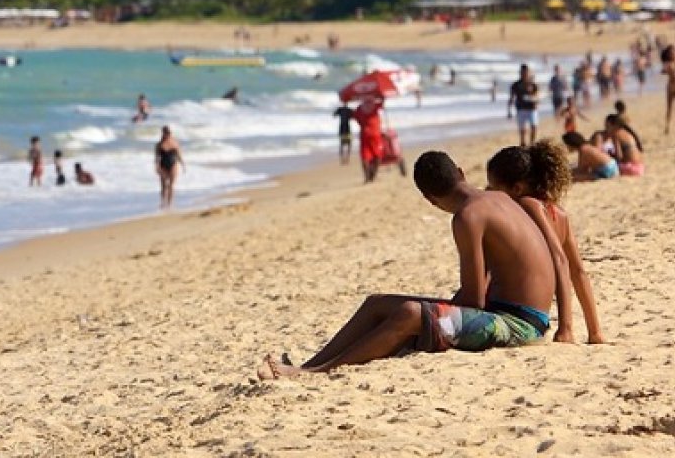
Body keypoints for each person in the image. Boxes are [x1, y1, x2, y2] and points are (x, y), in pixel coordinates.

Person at [257, 151, 556, 378]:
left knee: (409, 313)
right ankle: (308, 365)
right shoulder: (496, 198)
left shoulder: (468, 217)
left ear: (429, 199)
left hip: (521, 327)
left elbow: (474, 299)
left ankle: (316, 373)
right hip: (526, 315)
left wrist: (428, 315)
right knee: (376, 304)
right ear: (462, 173)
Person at [485, 142, 605, 344]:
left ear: (517, 188)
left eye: (493, 187)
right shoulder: (560, 215)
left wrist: (566, 327)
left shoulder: (527, 206)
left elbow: (559, 258)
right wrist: (594, 331)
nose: (488, 191)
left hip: (520, 312)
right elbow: (579, 272)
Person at [352, 96, 385, 183]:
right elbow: (382, 103)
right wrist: (381, 96)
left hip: (364, 134)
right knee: (377, 155)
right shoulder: (375, 106)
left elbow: (356, 119)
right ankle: (373, 175)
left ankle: (367, 177)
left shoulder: (359, 108)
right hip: (375, 134)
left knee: (365, 156)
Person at [507, 64, 540, 147]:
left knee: (534, 126)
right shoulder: (515, 85)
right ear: (520, 73)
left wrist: (533, 98)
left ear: (529, 73)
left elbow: (538, 97)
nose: (524, 74)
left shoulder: (533, 84)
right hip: (521, 109)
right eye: (523, 72)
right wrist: (509, 110)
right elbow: (511, 97)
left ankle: (532, 144)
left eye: (526, 72)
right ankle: (523, 144)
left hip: (532, 109)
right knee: (522, 130)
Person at [154, 126, 185, 209]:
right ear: (163, 133)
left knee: (171, 185)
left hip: (173, 164)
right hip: (163, 165)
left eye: (169, 133)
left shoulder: (175, 142)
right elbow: (157, 157)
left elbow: (179, 154)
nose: (168, 134)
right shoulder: (159, 144)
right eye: (166, 133)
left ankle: (170, 203)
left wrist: (183, 164)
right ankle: (163, 202)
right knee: (164, 185)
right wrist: (156, 167)